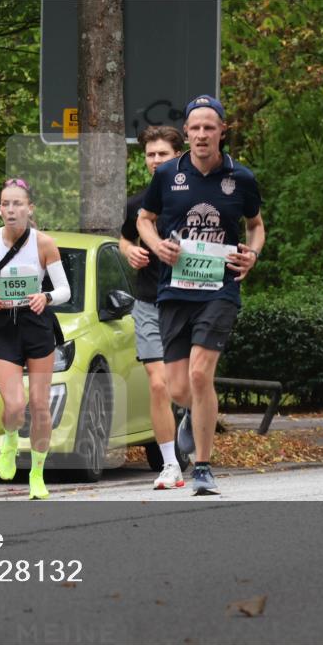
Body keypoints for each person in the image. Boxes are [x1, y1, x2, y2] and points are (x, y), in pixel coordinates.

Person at [136, 95, 265, 495]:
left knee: (199, 374)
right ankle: (198, 412)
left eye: (210, 127)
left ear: (222, 131)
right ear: (187, 132)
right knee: (178, 389)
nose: (202, 134)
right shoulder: (167, 175)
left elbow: (256, 225)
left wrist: (253, 255)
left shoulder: (240, 178)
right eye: (195, 127)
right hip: (174, 291)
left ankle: (204, 468)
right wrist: (157, 247)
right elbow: (144, 219)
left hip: (219, 289)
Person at [0, 179, 71, 499]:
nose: (10, 210)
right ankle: (10, 438)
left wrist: (47, 298)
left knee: (40, 406)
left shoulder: (44, 244)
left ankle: (37, 474)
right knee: (15, 405)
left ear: (29, 208)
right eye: (5, 204)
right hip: (3, 326)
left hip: (37, 325)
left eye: (17, 204)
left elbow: (64, 290)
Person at [120, 125, 187, 490]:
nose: (156, 160)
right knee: (158, 386)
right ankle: (170, 464)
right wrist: (128, 251)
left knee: (186, 386)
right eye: (150, 154)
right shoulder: (137, 204)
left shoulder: (196, 199)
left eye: (162, 153)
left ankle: (196, 417)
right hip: (148, 303)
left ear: (178, 155)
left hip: (190, 303)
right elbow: (124, 238)